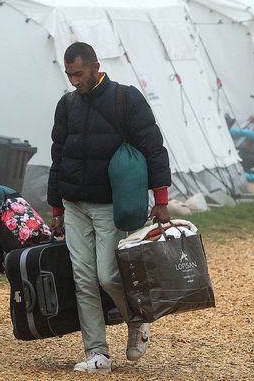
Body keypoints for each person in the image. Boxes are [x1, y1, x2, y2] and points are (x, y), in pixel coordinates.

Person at [48, 42, 171, 373]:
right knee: (83, 280)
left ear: (95, 66)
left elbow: (153, 147)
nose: (74, 81)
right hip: (74, 204)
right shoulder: (66, 105)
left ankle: (137, 319)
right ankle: (97, 354)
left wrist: (161, 201)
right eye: (69, 75)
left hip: (109, 207)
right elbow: (57, 156)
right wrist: (56, 208)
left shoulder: (125, 99)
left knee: (107, 275)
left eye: (79, 73)